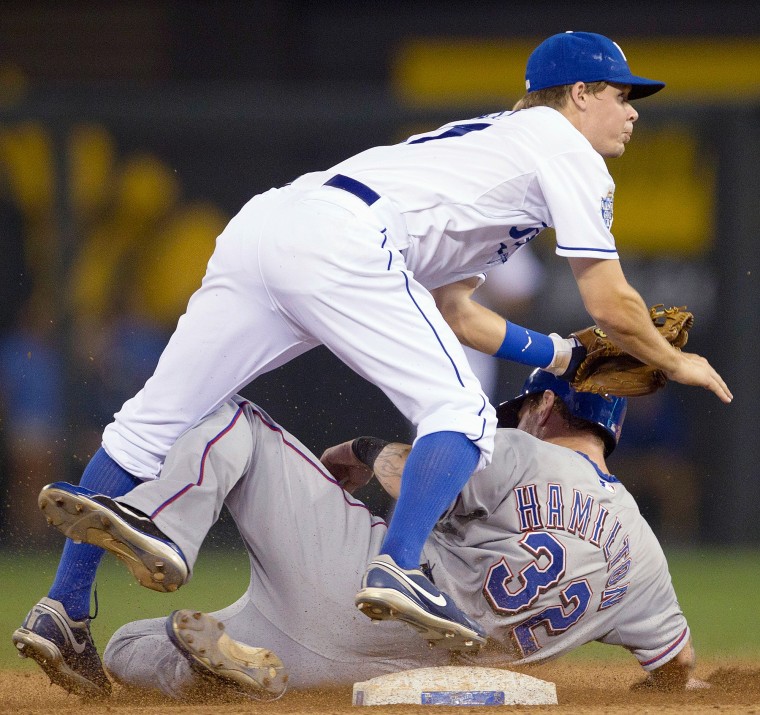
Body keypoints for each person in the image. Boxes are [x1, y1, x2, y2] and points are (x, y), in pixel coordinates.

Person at [13, 30, 730, 697]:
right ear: (578, 94)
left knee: (153, 420)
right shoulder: (564, 149)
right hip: (343, 236)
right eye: (619, 94)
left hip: (269, 225)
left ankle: (64, 608)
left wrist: (564, 354)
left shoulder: (503, 155)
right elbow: (609, 297)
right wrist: (675, 359)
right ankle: (401, 567)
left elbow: (458, 313)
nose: (630, 111)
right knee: (462, 412)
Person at [24, 370, 697, 699]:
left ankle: (165, 527)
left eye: (522, 408)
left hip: (370, 591)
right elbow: (675, 662)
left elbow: (419, 477)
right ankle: (221, 670)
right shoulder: (644, 558)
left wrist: (371, 449)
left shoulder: (524, 450)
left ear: (545, 406)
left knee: (230, 416)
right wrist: (665, 687)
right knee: (128, 646)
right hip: (399, 670)